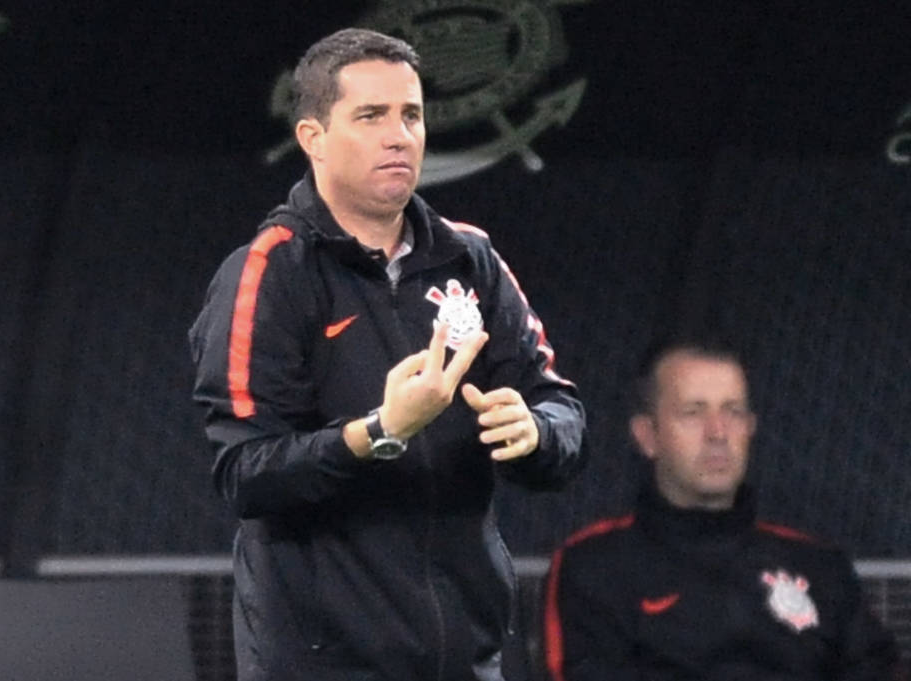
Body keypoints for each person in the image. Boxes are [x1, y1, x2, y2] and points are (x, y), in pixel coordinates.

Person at [189, 28, 587, 681]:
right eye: (371, 116)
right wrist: (379, 432)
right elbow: (245, 472)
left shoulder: (471, 258)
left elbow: (562, 411)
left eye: (411, 115)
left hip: (467, 659)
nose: (399, 136)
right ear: (313, 138)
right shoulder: (270, 271)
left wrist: (536, 431)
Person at [542, 337, 899, 681]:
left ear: (751, 427)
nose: (718, 432)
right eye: (693, 413)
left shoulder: (819, 568)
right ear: (647, 435)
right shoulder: (594, 569)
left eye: (733, 411)